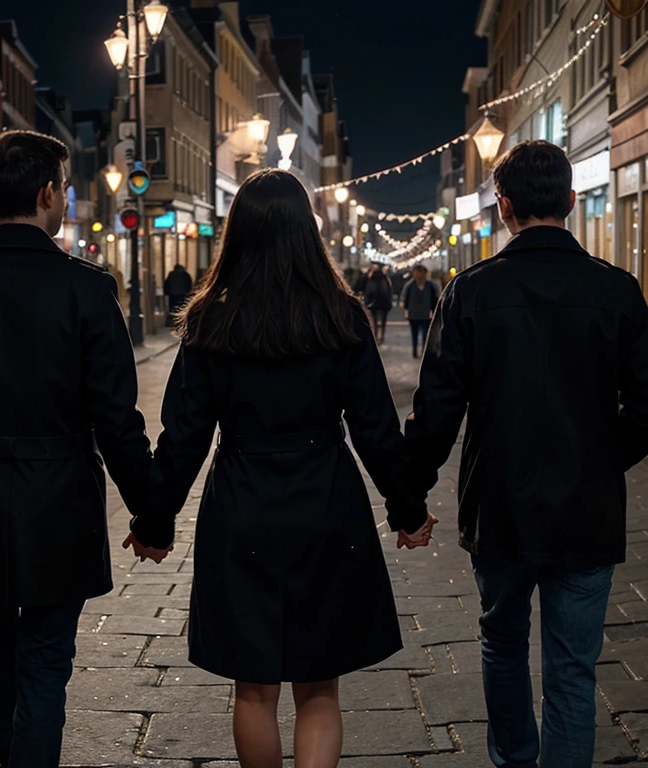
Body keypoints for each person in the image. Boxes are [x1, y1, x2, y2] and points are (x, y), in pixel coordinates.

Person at [124, 169, 437, 768]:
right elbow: (375, 428)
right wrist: (408, 508)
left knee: (253, 685)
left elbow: (184, 437)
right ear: (307, 233)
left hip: (242, 502)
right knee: (320, 685)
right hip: (327, 500)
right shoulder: (342, 316)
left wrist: (154, 521)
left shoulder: (210, 320)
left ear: (237, 232)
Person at [404, 140, 648, 768]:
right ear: (571, 202)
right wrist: (604, 460)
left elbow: (437, 413)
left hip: (500, 506)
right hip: (588, 508)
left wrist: (409, 496)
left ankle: (514, 761)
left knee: (502, 644)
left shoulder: (470, 292)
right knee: (574, 668)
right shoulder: (617, 289)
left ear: (504, 207)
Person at [0, 131, 155, 768]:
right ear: (47, 193)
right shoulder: (88, 289)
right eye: (64, 188)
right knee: (46, 658)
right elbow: (116, 420)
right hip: (60, 500)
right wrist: (150, 510)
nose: (66, 198)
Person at [400, 264, 439, 358]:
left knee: (425, 334)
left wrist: (434, 311)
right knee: (415, 334)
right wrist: (406, 310)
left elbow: (435, 299)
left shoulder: (431, 285)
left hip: (426, 314)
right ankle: (415, 351)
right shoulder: (410, 285)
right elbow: (405, 299)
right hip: (413, 314)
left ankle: (424, 351)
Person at [362, 263, 393, 345]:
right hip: (384, 303)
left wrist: (367, 301)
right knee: (383, 321)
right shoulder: (385, 280)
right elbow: (389, 292)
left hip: (374, 303)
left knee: (374, 320)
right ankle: (381, 336)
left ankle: (375, 336)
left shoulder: (372, 281)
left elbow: (368, 292)